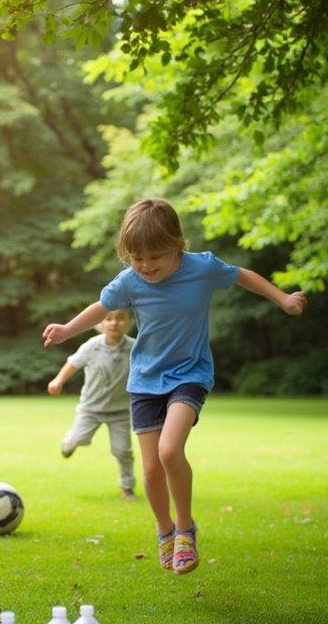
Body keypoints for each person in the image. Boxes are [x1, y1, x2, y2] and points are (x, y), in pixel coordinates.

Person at [43, 198, 307, 574]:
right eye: (136, 258)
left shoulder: (202, 267)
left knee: (169, 451)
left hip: (190, 374)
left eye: (156, 256)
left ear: (177, 245)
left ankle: (185, 529)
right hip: (145, 380)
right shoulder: (131, 281)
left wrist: (282, 298)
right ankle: (164, 530)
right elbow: (101, 307)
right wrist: (68, 329)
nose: (146, 266)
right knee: (151, 469)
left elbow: (242, 275)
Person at [47, 309, 136, 499]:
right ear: (100, 324)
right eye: (108, 318)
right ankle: (70, 440)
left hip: (120, 411)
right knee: (79, 439)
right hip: (90, 409)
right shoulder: (92, 346)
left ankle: (127, 488)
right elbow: (72, 364)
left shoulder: (135, 348)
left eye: (120, 318)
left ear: (129, 322)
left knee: (122, 450)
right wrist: (58, 380)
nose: (114, 323)